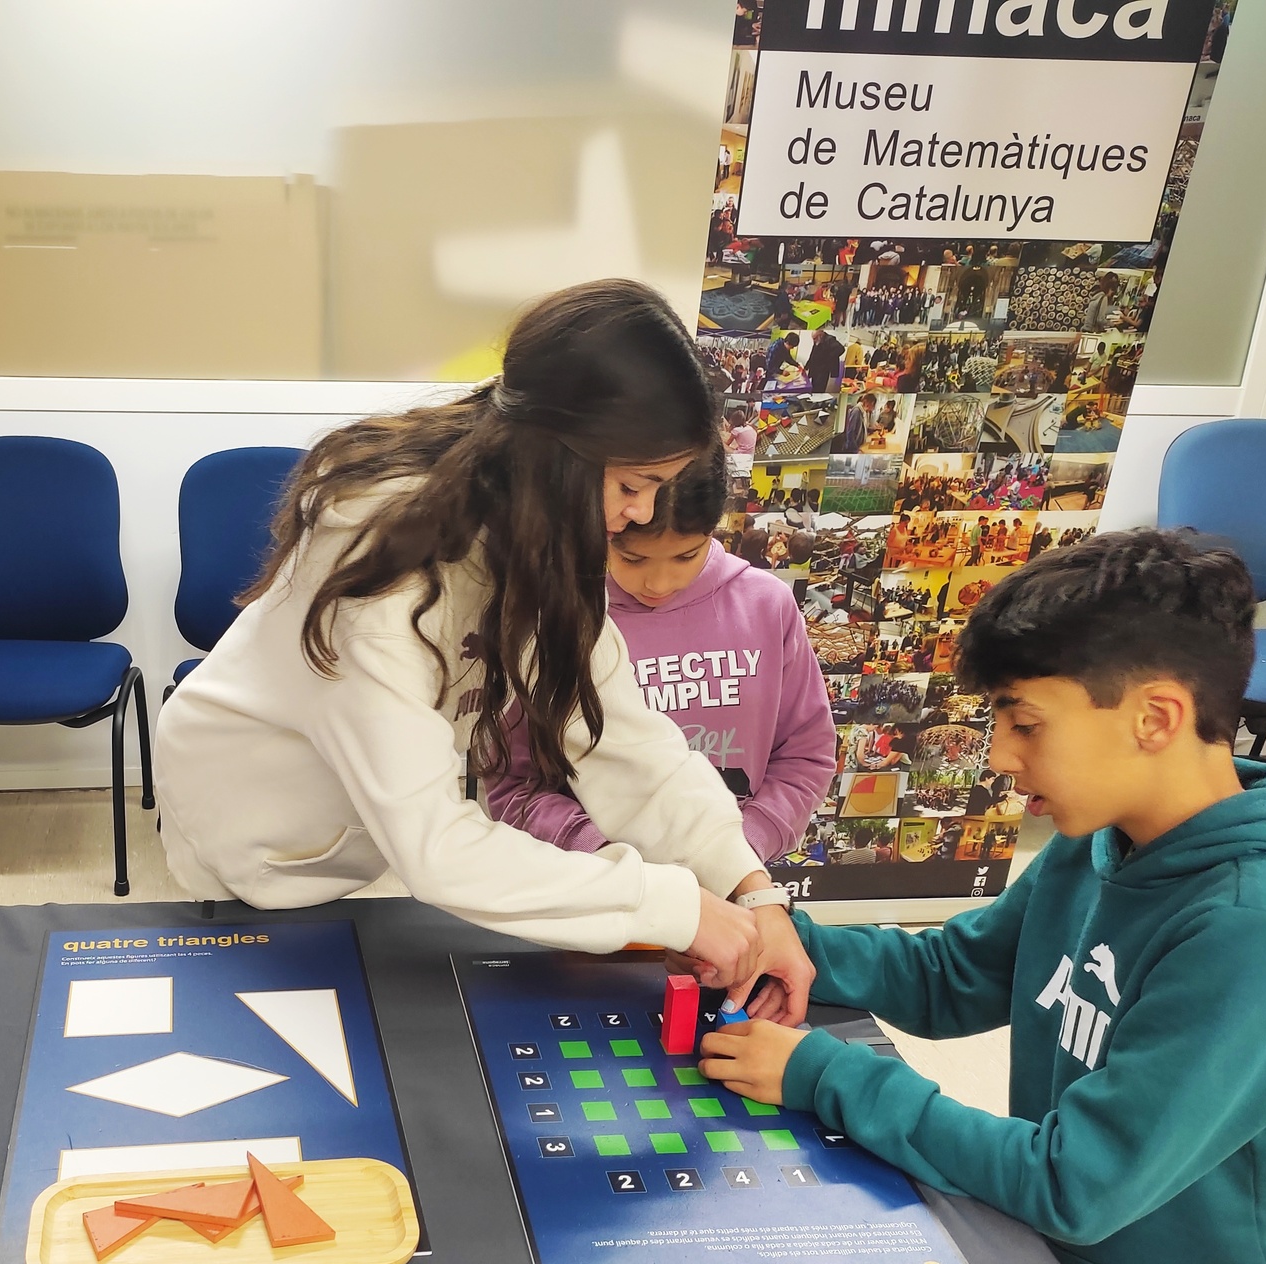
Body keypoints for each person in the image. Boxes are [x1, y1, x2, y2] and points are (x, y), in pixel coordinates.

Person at [699, 529, 1266, 1264]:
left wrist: (824, 1072)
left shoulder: (1259, 929)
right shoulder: (1102, 841)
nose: (1001, 756)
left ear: (1154, 716)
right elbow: (950, 975)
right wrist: (785, 940)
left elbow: (1074, 1182)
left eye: (1024, 722)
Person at [156, 279, 815, 1012]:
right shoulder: (375, 561)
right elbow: (437, 849)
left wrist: (749, 889)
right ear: (560, 452)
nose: (642, 513)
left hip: (352, 830)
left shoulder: (542, 527)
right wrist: (672, 906)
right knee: (253, 1001)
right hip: (245, 814)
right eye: (634, 485)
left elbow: (622, 739)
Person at [485, 456, 834, 865]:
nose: (658, 583)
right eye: (632, 559)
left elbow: (807, 753)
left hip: (736, 878)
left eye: (686, 556)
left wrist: (745, 848)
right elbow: (515, 782)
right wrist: (604, 857)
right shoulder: (560, 618)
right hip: (601, 884)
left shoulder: (767, 605)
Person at [804, 327, 844, 394]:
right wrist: (806, 366)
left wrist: (828, 357)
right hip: (816, 368)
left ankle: (818, 399)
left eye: (815, 338)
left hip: (823, 369)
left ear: (820, 335)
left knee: (820, 388)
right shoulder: (817, 340)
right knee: (814, 386)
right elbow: (813, 354)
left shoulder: (830, 339)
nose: (813, 340)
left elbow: (841, 349)